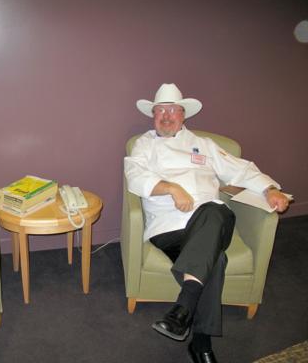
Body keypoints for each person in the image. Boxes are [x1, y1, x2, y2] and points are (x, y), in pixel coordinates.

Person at [124, 83, 289, 363]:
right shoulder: (145, 145)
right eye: (160, 110)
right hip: (168, 227)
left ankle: (184, 309)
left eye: (172, 110)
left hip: (213, 220)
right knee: (217, 261)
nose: (166, 116)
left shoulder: (206, 146)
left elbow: (241, 169)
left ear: (183, 114)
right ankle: (200, 344)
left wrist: (269, 188)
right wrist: (171, 188)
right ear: (153, 115)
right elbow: (135, 176)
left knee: (213, 208)